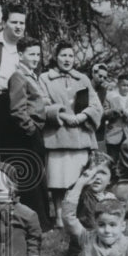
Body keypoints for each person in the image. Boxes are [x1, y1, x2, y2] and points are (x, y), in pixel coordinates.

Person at [40, 39, 103, 225]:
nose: (67, 59)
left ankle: (77, 215)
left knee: (79, 179)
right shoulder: (45, 78)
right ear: (55, 57)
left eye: (70, 55)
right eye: (63, 55)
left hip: (80, 137)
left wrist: (83, 116)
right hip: (57, 136)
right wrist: (64, 116)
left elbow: (95, 104)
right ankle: (59, 217)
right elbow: (42, 103)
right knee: (58, 180)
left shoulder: (82, 79)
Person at [3, 35, 51, 228]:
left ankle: (44, 221)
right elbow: (17, 109)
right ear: (20, 54)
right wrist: (31, 129)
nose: (36, 58)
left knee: (39, 177)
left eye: (38, 54)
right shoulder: (18, 77)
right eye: (31, 54)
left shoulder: (31, 75)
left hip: (36, 131)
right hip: (27, 135)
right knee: (32, 179)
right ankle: (37, 222)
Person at [0, 0, 26, 150]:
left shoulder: (27, 48)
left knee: (15, 151)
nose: (18, 26)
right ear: (4, 23)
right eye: (14, 22)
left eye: (22, 23)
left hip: (19, 106)